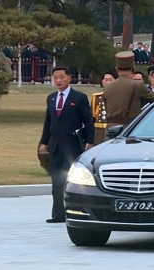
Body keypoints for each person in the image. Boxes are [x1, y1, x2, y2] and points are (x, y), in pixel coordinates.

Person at [38, 66, 94, 223]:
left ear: (69, 78)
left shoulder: (79, 97)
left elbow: (88, 120)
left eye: (62, 77)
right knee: (57, 182)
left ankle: (78, 212)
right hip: (56, 147)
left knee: (75, 182)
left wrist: (90, 141)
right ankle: (58, 214)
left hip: (73, 146)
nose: (58, 80)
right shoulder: (51, 98)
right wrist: (44, 142)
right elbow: (48, 122)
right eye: (55, 77)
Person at [103, 51, 154, 131]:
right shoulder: (137, 85)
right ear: (133, 68)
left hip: (110, 130)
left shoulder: (108, 87)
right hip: (129, 130)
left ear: (116, 69)